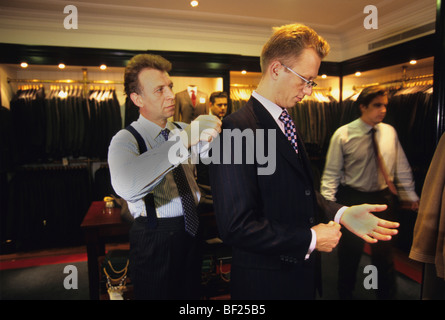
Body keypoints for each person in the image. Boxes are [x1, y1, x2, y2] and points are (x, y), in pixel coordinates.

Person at [208, 23, 399, 300]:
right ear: (276, 69)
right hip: (266, 283)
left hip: (301, 277)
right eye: (305, 80)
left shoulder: (286, 119)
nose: (309, 91)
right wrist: (311, 239)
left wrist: (341, 213)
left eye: (313, 82)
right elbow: (236, 227)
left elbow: (300, 191)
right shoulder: (236, 130)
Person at [108, 53, 221, 299]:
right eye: (159, 90)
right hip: (155, 237)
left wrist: (217, 133)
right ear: (137, 98)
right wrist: (185, 141)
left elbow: (217, 157)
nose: (171, 95)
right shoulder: (125, 140)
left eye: (170, 86)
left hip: (192, 229)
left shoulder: (182, 129)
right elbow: (128, 186)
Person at [321, 86, 419, 299]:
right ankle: (344, 293)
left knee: (384, 256)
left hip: (382, 199)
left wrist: (410, 195)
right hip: (354, 198)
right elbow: (331, 173)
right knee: (350, 254)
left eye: (385, 105)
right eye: (377, 105)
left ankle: (385, 295)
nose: (383, 110)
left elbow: (400, 165)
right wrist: (327, 208)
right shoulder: (344, 134)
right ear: (363, 107)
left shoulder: (389, 132)